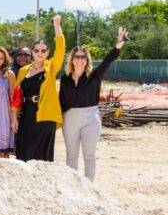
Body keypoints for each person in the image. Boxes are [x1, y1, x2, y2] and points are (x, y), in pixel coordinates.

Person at [60, 27, 127, 181]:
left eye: (83, 57)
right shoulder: (65, 78)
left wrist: (119, 44)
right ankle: (73, 186)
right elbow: (61, 99)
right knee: (71, 154)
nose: (80, 59)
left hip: (90, 118)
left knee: (89, 155)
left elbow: (108, 60)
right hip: (70, 119)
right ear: (72, 59)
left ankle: (88, 187)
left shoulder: (94, 75)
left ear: (87, 60)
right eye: (77, 56)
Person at [15, 15, 65, 162]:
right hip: (27, 114)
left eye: (43, 51)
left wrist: (56, 25)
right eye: (36, 50)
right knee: (23, 150)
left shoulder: (51, 67)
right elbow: (17, 95)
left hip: (45, 114)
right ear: (32, 52)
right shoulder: (24, 70)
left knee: (42, 156)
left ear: (47, 53)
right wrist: (14, 116)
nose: (40, 53)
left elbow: (61, 47)